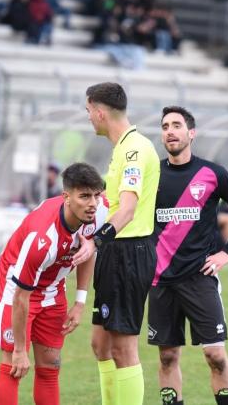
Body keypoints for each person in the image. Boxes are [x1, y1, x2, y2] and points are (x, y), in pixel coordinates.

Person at [149, 106, 228, 405]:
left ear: (191, 133)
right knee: (168, 357)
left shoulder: (212, 173)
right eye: (165, 126)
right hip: (161, 280)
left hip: (200, 277)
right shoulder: (151, 174)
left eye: (177, 125)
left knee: (215, 355)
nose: (170, 131)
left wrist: (227, 252)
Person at [0, 163, 106, 405]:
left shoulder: (98, 213)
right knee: (14, 365)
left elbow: (88, 252)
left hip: (53, 287)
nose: (93, 203)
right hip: (17, 287)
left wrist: (79, 302)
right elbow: (21, 296)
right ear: (66, 197)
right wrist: (21, 350)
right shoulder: (42, 238)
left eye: (96, 195)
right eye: (84, 196)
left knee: (50, 365)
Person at [85, 82, 160, 405]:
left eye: (88, 112)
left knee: (122, 348)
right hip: (115, 253)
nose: (88, 118)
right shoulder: (123, 148)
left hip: (128, 252)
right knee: (100, 345)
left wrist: (95, 242)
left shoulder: (134, 150)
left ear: (100, 112)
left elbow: (127, 210)